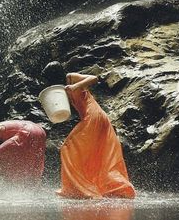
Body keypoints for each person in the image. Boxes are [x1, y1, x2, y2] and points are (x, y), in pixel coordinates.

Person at [42, 61, 136, 199]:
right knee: (94, 153)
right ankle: (90, 186)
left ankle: (79, 189)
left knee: (67, 147)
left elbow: (94, 78)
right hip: (92, 117)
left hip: (93, 116)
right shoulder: (60, 88)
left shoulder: (70, 77)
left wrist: (76, 86)